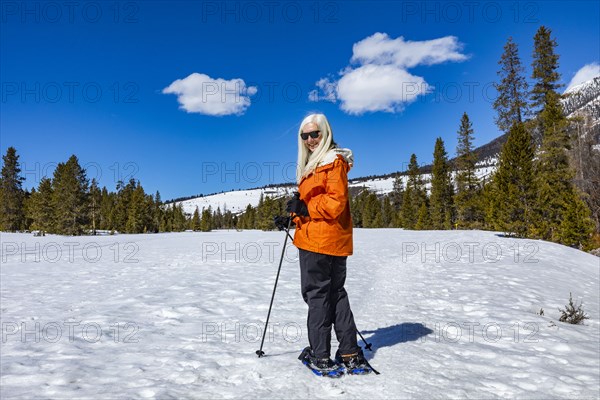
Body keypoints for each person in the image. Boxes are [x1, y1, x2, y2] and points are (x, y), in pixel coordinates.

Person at [275, 113, 370, 374]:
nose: (309, 140)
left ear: (325, 133)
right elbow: (315, 205)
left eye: (314, 134)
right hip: (330, 240)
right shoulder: (319, 164)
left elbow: (335, 204)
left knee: (318, 296)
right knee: (335, 294)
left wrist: (304, 207)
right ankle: (349, 352)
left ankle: (320, 356)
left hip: (320, 241)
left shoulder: (332, 162)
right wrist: (292, 215)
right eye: (305, 136)